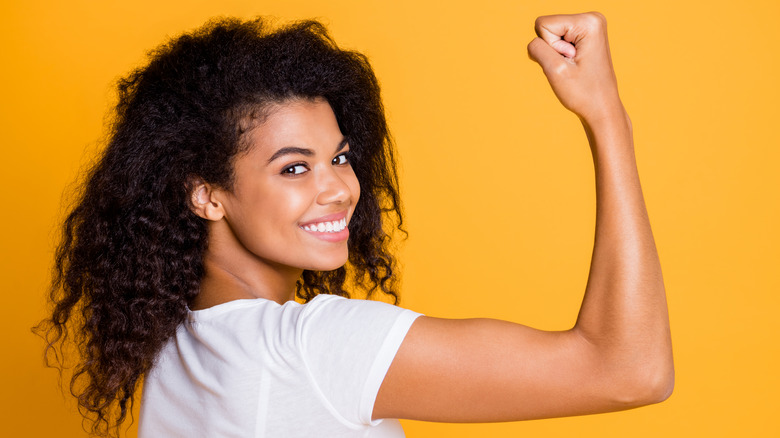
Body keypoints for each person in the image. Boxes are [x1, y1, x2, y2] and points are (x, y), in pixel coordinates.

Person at [36, 11, 674, 437]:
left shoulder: (181, 343)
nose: (338, 188)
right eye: (293, 169)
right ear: (207, 195)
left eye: (339, 157)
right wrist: (606, 115)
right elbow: (629, 371)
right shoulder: (310, 345)